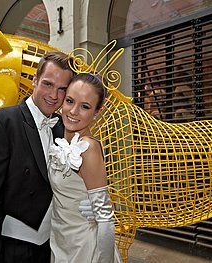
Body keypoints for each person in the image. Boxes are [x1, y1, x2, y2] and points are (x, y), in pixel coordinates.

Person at [0, 51, 75, 263]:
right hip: (8, 248)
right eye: (47, 84)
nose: (54, 95)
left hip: (47, 248)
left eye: (62, 89)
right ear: (34, 81)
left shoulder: (62, 128)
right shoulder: (0, 123)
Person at [48, 73, 122, 262]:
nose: (73, 111)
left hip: (85, 248)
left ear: (96, 113)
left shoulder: (88, 149)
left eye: (85, 107)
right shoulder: (59, 140)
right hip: (61, 241)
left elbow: (105, 219)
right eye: (70, 101)